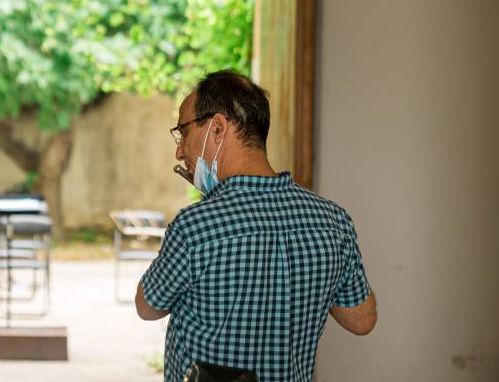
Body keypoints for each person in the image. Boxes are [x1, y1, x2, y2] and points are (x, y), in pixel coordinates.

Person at [136, 69, 377, 382]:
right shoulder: (333, 221)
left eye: (182, 132)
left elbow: (148, 306)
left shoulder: (196, 227)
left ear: (218, 127)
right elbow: (362, 320)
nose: (180, 150)